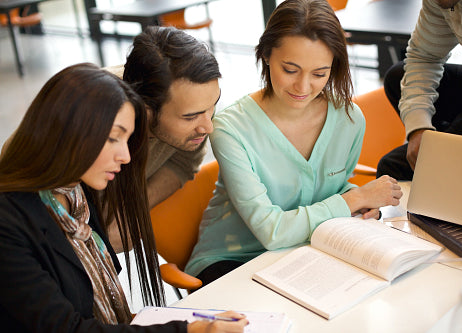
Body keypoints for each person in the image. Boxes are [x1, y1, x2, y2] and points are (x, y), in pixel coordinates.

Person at [0, 63, 247, 332]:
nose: (125, 157)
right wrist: (189, 330)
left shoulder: (75, 196)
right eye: (112, 139)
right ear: (67, 132)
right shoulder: (9, 224)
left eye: (127, 140)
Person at [184, 0, 403, 286]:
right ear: (265, 54)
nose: (303, 88)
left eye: (319, 74)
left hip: (306, 248)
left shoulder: (349, 118)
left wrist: (359, 203)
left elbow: (330, 190)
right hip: (233, 260)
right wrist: (356, 199)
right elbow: (272, 232)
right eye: (290, 69)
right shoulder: (229, 128)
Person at [106, 26, 222, 252]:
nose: (208, 126)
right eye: (191, 117)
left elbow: (183, 162)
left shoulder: (198, 103)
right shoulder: (90, 122)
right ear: (145, 110)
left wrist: (134, 209)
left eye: (213, 106)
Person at [377, 0, 462, 180]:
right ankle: (447, 150)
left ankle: (454, 169)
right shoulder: (439, 2)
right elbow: (423, 57)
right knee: (397, 76)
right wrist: (418, 128)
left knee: (394, 168)